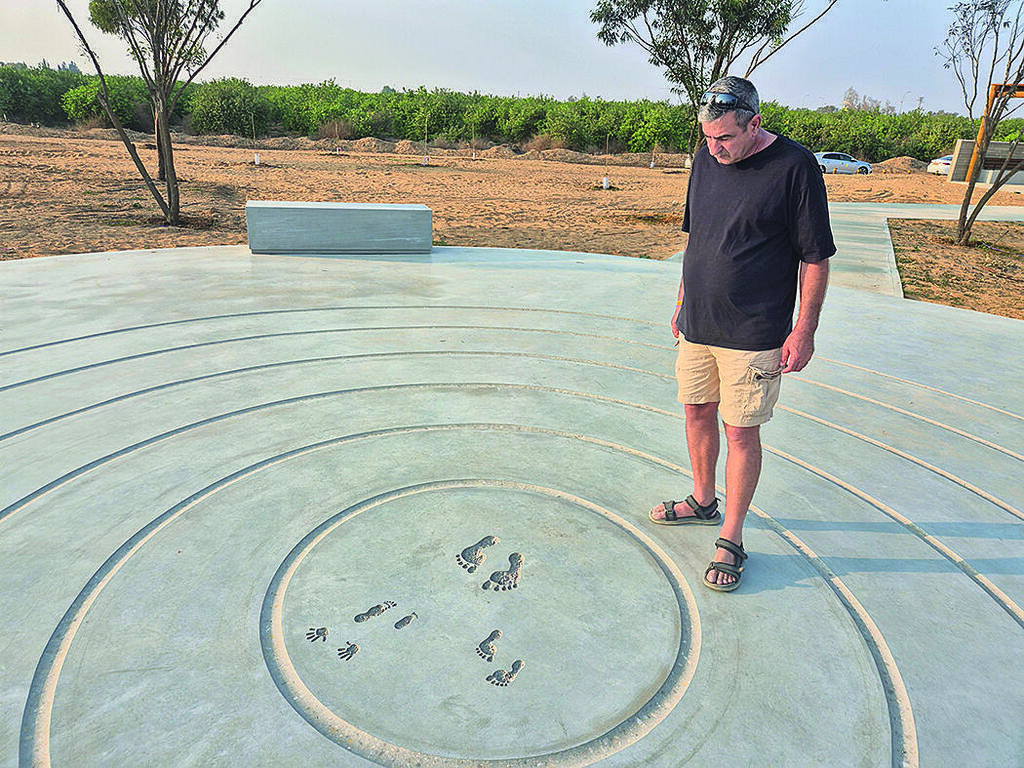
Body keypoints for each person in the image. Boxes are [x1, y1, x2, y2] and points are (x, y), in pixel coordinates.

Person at [648, 76, 835, 592]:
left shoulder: (795, 168)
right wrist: (682, 301)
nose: (715, 148)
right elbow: (697, 237)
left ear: (755, 123)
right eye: (708, 137)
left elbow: (815, 258)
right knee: (696, 412)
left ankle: (731, 536)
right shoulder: (706, 158)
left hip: (754, 331)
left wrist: (805, 329)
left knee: (740, 432)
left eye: (726, 137)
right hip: (698, 322)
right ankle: (703, 500)